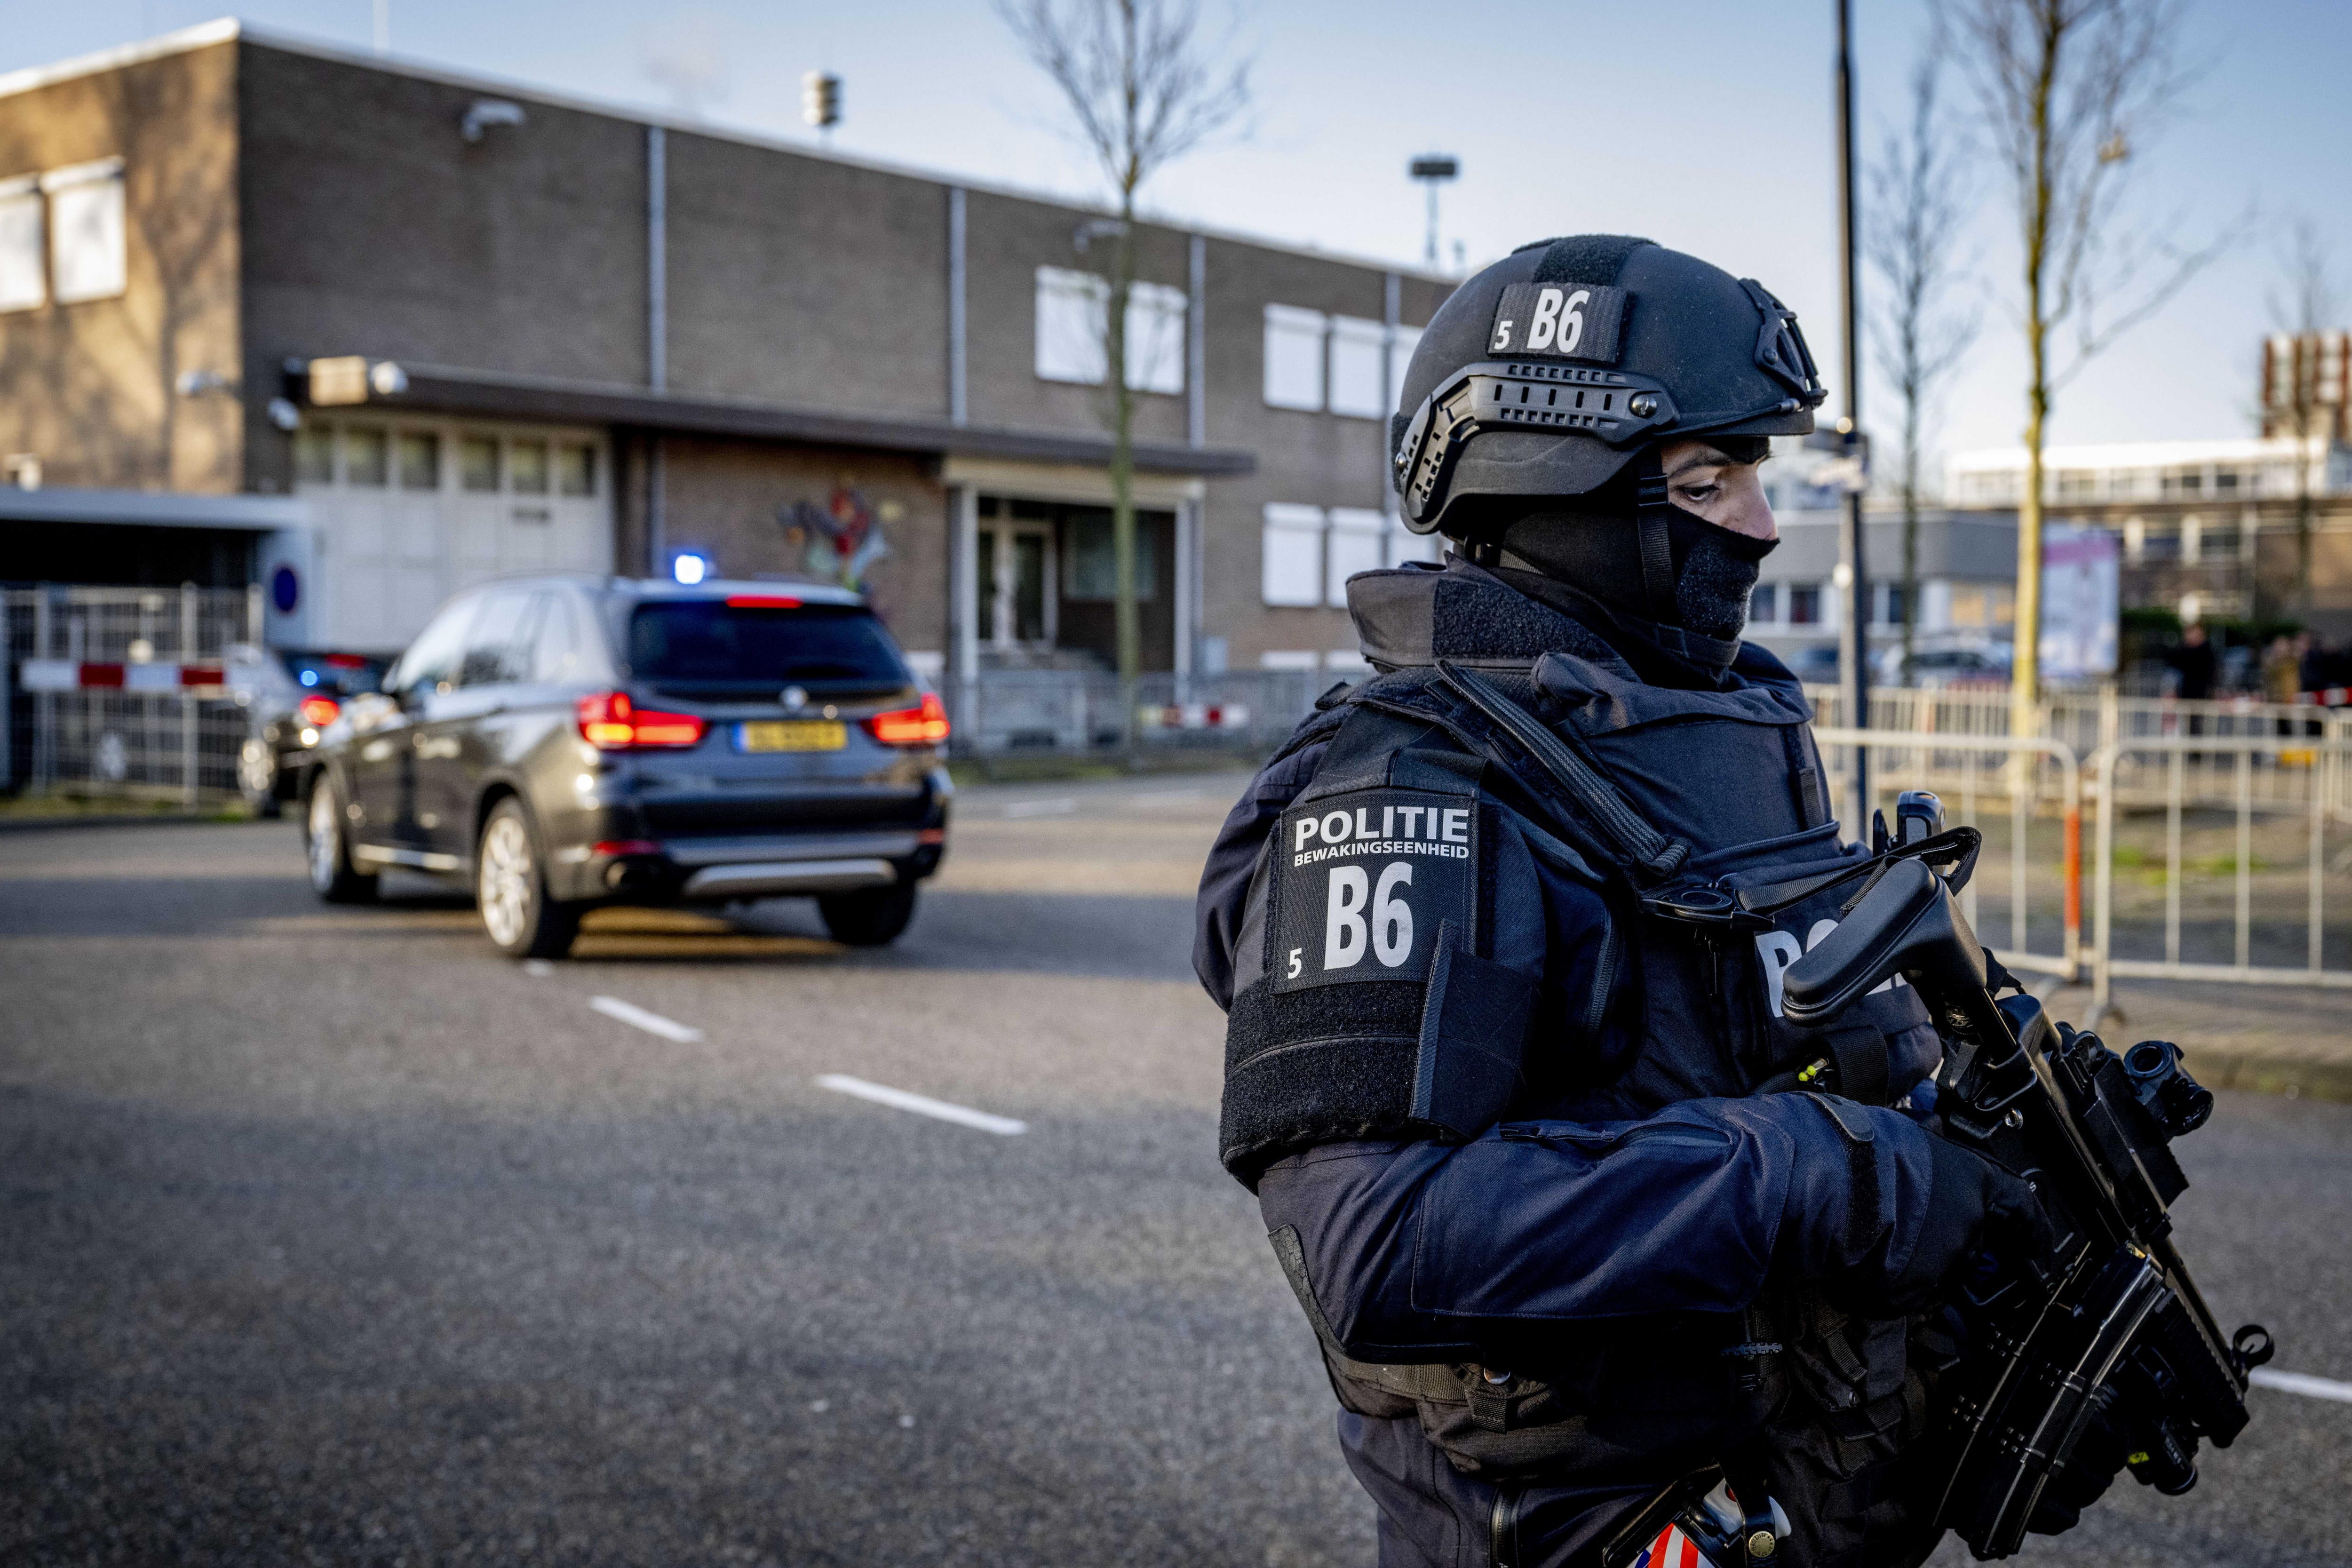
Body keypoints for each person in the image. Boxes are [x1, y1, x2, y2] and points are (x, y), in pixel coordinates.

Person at [1194, 238, 2091, 1568]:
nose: (1762, 524)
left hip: (1788, 1494)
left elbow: (1746, 1048)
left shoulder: (1710, 734)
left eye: (1756, 476)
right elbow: (1377, 1244)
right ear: (1561, 484)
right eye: (1708, 481)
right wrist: (1831, 1171)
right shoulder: (1405, 787)